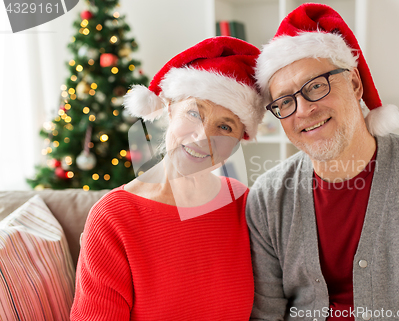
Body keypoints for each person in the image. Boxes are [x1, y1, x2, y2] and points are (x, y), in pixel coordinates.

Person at [246, 3, 399, 320]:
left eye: (315, 86)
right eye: (284, 101)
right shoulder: (268, 198)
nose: (302, 110)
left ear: (354, 84)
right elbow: (265, 314)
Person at [70, 36, 265, 320]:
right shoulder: (113, 217)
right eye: (194, 113)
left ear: (237, 141)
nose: (202, 137)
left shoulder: (243, 203)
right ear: (170, 108)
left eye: (225, 126)